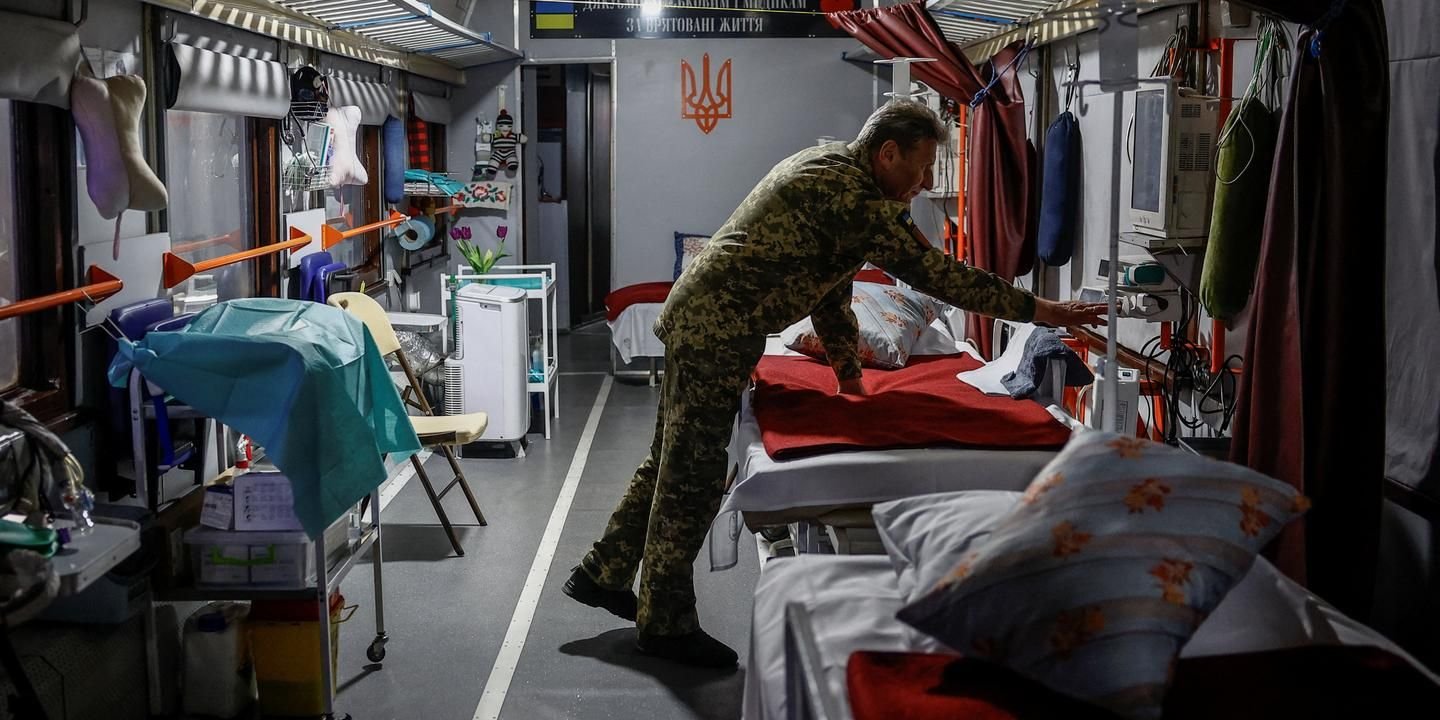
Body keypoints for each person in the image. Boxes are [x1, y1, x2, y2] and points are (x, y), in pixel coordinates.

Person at [562, 101, 1107, 668]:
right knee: (692, 475)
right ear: (888, 152)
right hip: (715, 329)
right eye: (921, 167)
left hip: (712, 322)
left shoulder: (834, 172)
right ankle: (664, 624)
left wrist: (849, 375)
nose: (925, 183)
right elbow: (936, 275)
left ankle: (603, 572)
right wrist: (1039, 309)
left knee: (668, 460)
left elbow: (830, 289)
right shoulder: (851, 196)